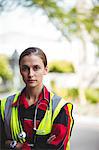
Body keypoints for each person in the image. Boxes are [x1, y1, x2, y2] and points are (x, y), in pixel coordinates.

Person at [0, 47, 74, 150]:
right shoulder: (4, 105)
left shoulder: (60, 108)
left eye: (36, 68)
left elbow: (57, 148)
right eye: (25, 68)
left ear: (45, 70)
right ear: (20, 70)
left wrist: (15, 145)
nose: (30, 74)